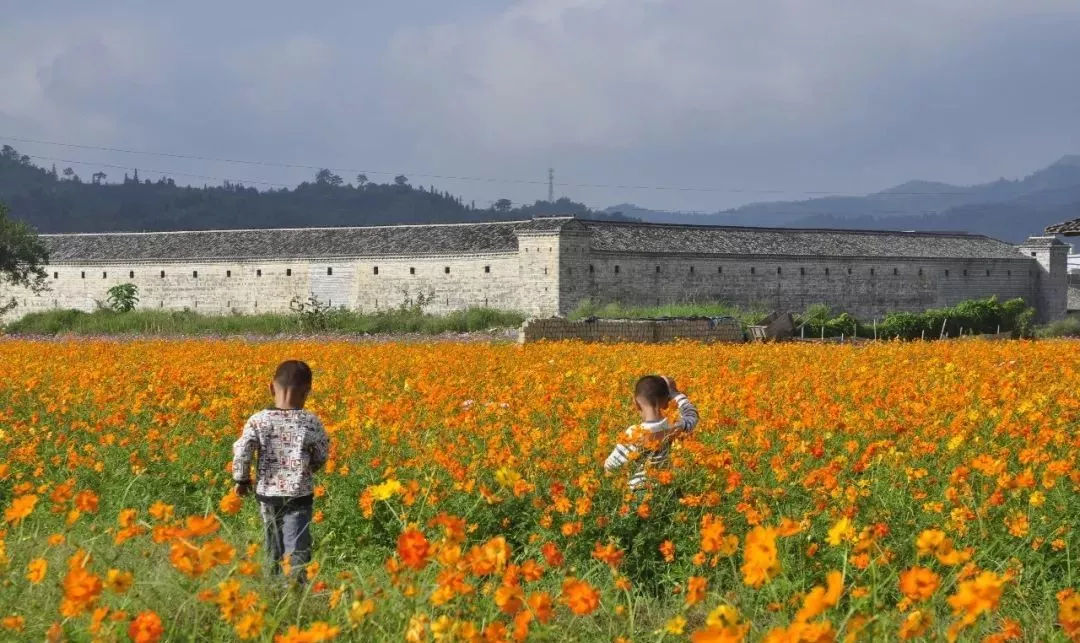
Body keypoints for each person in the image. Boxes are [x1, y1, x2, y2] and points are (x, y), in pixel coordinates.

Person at [232, 360, 330, 581]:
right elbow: (322, 453)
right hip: (299, 497)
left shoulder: (258, 420)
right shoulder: (310, 421)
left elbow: (242, 450)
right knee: (296, 548)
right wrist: (310, 468)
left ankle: (272, 587)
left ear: (270, 387)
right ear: (307, 393)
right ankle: (294, 589)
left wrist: (242, 480)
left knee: (272, 546)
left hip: (268, 497)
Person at [604, 375, 698, 490]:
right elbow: (692, 416)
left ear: (636, 404)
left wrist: (625, 473)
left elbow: (611, 466)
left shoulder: (634, 433)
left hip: (640, 492)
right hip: (667, 488)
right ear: (668, 402)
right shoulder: (675, 425)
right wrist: (675, 393)